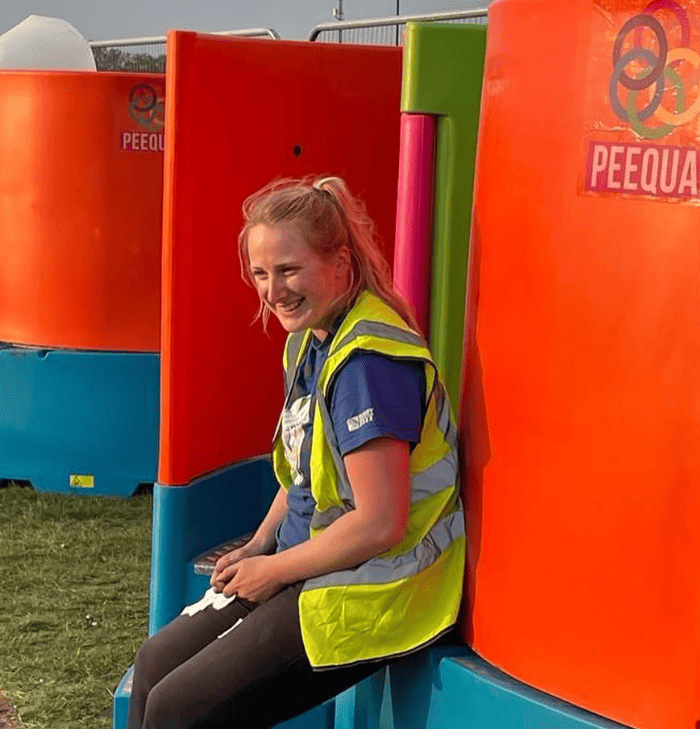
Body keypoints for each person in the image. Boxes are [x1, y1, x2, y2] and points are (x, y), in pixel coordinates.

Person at [127, 176, 465, 729]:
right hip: (311, 562)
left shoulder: (368, 363)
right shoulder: (310, 340)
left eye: (288, 270)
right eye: (261, 274)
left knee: (178, 708)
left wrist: (275, 568)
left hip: (377, 584)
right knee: (153, 664)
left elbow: (381, 522)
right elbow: (305, 467)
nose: (272, 290)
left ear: (341, 263)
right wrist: (259, 543)